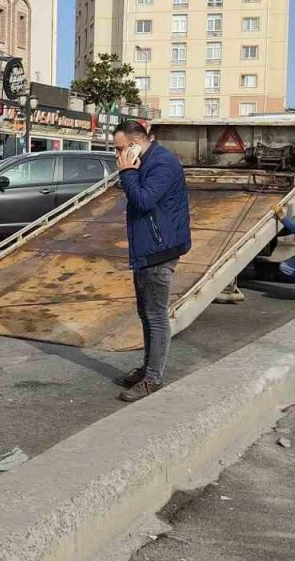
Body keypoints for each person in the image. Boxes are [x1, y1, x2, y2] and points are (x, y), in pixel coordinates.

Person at [111, 120, 192, 403]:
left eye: (120, 148)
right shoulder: (147, 161)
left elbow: (144, 200)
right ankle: (147, 369)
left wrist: (127, 172)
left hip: (160, 249)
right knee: (145, 312)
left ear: (135, 144)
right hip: (148, 248)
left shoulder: (162, 163)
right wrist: (130, 172)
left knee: (156, 316)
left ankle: (153, 378)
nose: (117, 154)